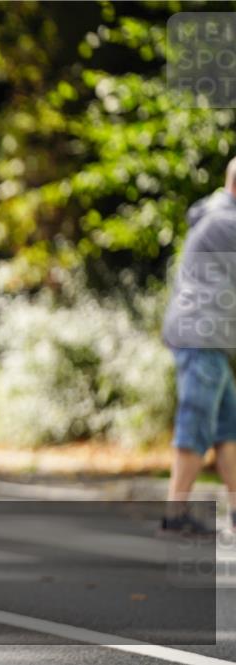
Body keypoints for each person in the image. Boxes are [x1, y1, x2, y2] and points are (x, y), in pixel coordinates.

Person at [160, 156, 236, 537]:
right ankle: (175, 514)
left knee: (227, 429)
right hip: (201, 336)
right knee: (196, 423)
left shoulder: (215, 215)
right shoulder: (225, 223)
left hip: (209, 337)